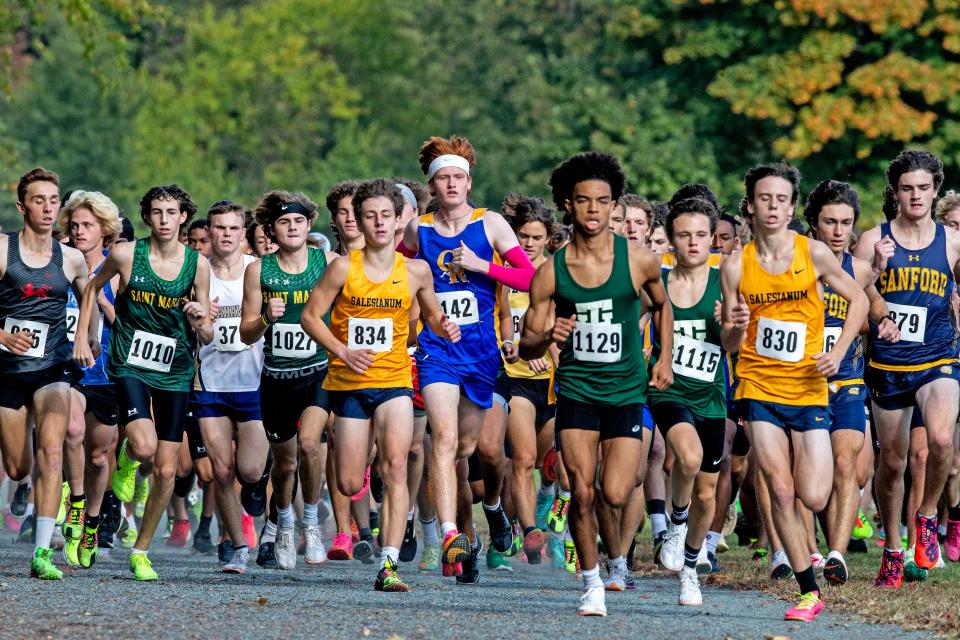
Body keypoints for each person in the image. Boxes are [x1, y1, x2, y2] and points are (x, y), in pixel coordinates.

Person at [520, 151, 673, 617]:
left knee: (615, 491)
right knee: (582, 492)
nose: (593, 210)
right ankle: (591, 583)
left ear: (613, 207)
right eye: (584, 201)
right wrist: (549, 335)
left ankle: (616, 559)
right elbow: (526, 346)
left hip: (626, 392)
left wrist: (663, 357)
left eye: (602, 202)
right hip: (577, 392)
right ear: (568, 205)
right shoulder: (552, 272)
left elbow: (663, 306)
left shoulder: (640, 261)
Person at [720, 163, 868, 621]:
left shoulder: (814, 254)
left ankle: (817, 552)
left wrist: (839, 352)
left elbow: (859, 300)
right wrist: (735, 328)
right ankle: (808, 591)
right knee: (780, 490)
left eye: (781, 199)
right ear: (750, 205)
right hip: (759, 386)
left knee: (815, 495)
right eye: (764, 198)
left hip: (807, 389)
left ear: (790, 207)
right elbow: (727, 340)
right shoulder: (735, 264)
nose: (772, 207)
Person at [302, 178, 460, 591]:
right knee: (350, 482)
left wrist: (446, 326)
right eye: (369, 216)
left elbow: (432, 316)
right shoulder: (342, 267)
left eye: (385, 216)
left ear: (398, 220)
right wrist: (342, 349)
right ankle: (366, 477)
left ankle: (388, 564)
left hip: (393, 380)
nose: (378, 223)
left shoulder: (416, 271)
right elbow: (310, 317)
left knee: (396, 466)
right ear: (360, 221)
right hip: (350, 382)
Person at [398, 135, 536, 576]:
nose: (452, 184)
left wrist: (482, 266)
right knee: (442, 440)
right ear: (432, 186)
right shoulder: (417, 230)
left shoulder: (491, 223)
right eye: (443, 178)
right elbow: (387, 271)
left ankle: (493, 507)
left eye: (458, 177)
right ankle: (452, 534)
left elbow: (530, 278)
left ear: (469, 181)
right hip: (437, 348)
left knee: (476, 448)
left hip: (482, 354)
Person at [74, 184, 213, 581]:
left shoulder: (197, 265)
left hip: (176, 368)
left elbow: (206, 334)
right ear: (147, 216)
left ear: (184, 217)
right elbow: (91, 289)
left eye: (171, 212)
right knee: (144, 444)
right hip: (130, 362)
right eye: (156, 212)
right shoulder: (125, 255)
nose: (164, 219)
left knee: (168, 471)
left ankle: (141, 550)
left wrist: (200, 319)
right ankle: (128, 457)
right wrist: (84, 337)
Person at [854, 150, 960, 587]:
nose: (915, 195)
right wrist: (876, 270)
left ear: (935, 190)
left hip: (939, 358)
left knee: (939, 439)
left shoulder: (952, 242)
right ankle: (893, 550)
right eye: (906, 188)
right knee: (893, 464)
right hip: (888, 364)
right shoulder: (870, 240)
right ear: (895, 192)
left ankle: (928, 514)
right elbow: (853, 301)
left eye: (923, 187)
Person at [0, 168, 97, 579]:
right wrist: (3, 335)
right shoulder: (3, 251)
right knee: (20, 466)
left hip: (52, 366)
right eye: (38, 200)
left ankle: (42, 552)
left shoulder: (70, 258)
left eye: (53, 200)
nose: (46, 207)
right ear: (23, 206)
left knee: (52, 449)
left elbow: (88, 291)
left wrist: (85, 337)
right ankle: (23, 485)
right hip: (7, 369)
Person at [802, 179, 899, 584]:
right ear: (814, 224)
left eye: (846, 222)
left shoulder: (857, 270)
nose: (839, 232)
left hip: (848, 383)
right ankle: (806, 551)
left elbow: (875, 306)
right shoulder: (796, 263)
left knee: (848, 466)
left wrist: (888, 322)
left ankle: (837, 556)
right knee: (807, 479)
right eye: (830, 222)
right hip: (802, 385)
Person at [239, 190, 337, 570]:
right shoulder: (258, 271)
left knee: (311, 445)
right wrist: (266, 316)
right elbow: (247, 333)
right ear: (271, 230)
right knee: (284, 465)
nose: (292, 227)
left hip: (318, 371)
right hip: (277, 377)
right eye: (284, 222)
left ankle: (311, 524)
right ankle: (282, 523)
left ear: (309, 225)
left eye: (298, 221)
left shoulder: (327, 262)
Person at [649, 196, 734, 606]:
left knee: (707, 494)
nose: (694, 242)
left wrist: (729, 326)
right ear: (671, 240)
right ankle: (675, 521)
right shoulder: (659, 281)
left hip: (711, 396)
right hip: (668, 390)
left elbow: (732, 345)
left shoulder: (725, 282)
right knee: (687, 455)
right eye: (684, 235)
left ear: (712, 239)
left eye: (702, 235)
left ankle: (689, 568)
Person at [194, 200, 269, 574]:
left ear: (243, 234)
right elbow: (197, 329)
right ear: (208, 232)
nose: (225, 234)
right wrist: (196, 319)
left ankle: (257, 488)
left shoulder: (258, 271)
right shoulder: (198, 270)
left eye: (232, 228)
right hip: (211, 384)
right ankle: (238, 545)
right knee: (220, 472)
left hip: (254, 384)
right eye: (219, 228)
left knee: (251, 471)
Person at [59, 190, 123, 569]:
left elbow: (127, 326)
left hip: (106, 373)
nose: (80, 232)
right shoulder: (60, 264)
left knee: (99, 456)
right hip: (66, 370)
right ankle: (77, 504)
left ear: (105, 230)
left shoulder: (118, 268)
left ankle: (94, 519)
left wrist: (101, 302)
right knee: (71, 429)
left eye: (88, 225)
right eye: (75, 225)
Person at [499, 194, 558, 564]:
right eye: (523, 235)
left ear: (548, 238)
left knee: (545, 463)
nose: (529, 243)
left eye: (536, 237)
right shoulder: (504, 272)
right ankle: (530, 530)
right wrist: (511, 343)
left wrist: (545, 351)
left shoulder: (558, 272)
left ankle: (547, 503)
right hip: (516, 379)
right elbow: (501, 319)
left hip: (553, 382)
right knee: (521, 460)